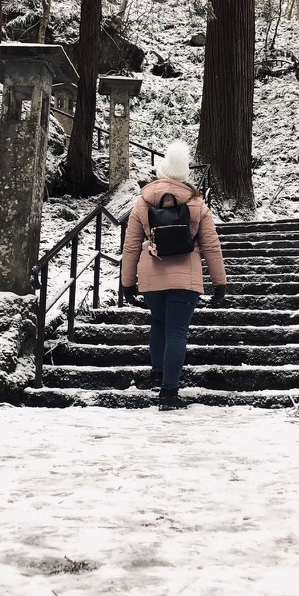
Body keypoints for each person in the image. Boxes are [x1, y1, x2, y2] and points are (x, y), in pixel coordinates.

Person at [121, 139, 227, 411]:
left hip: (151, 275)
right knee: (177, 332)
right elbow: (211, 246)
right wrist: (219, 283)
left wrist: (127, 283)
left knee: (158, 323)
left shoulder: (142, 203)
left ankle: (157, 375)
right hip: (185, 277)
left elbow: (131, 245)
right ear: (185, 174)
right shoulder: (197, 204)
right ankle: (169, 392)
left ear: (162, 170)